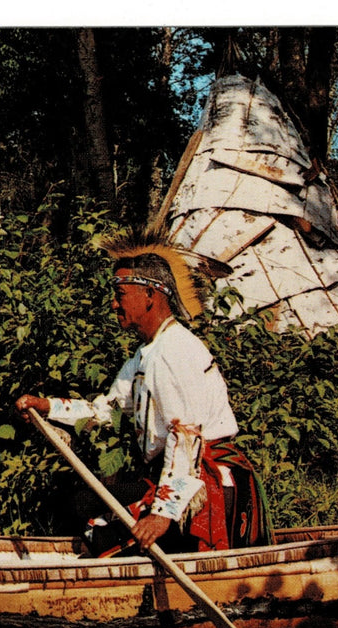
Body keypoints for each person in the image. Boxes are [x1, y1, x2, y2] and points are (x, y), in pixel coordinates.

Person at [16, 227, 271, 556]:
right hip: (169, 473)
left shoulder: (174, 352)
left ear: (151, 295)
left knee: (102, 541)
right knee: (81, 503)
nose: (113, 304)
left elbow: (187, 438)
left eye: (120, 294)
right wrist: (47, 407)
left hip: (199, 482)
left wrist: (161, 515)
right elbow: (106, 411)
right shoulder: (145, 353)